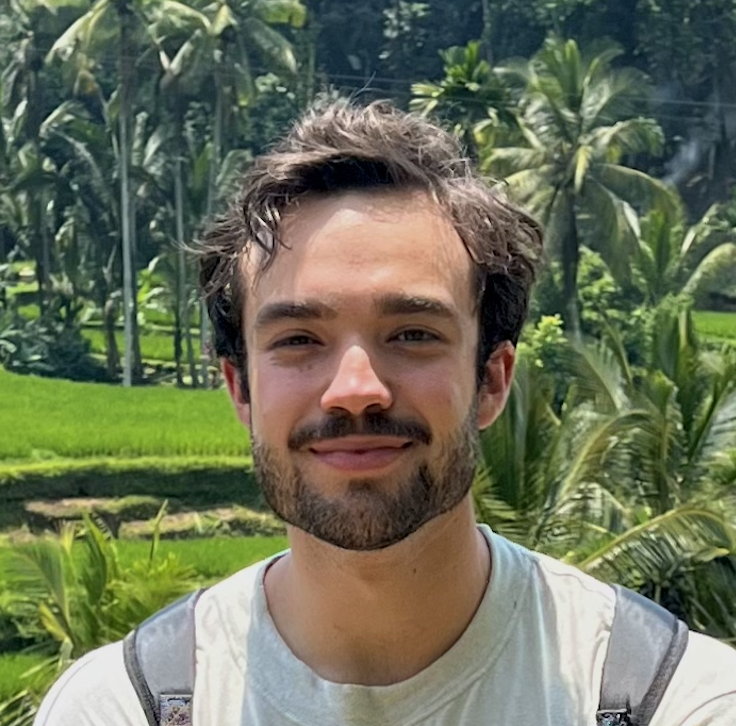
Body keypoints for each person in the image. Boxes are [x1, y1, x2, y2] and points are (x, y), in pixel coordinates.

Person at [35, 101, 736, 725]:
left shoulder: (670, 700)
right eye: (299, 341)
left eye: (412, 334)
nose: (356, 389)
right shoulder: (123, 706)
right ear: (240, 389)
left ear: (492, 380)